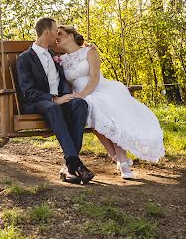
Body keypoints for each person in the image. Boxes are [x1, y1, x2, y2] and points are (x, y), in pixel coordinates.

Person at [57, 25, 165, 180]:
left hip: (98, 89)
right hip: (79, 96)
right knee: (93, 116)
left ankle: (121, 160)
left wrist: (82, 94)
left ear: (71, 36)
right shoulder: (61, 59)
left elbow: (94, 77)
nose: (57, 37)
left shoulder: (90, 51)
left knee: (103, 113)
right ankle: (119, 159)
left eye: (60, 34)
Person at [16, 17, 95, 184]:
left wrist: (86, 48)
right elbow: (28, 92)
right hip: (39, 102)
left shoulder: (55, 55)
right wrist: (54, 99)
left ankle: (70, 167)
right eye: (55, 33)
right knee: (53, 108)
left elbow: (71, 65)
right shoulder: (24, 58)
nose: (57, 37)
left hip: (58, 100)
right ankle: (76, 164)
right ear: (47, 33)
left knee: (80, 104)